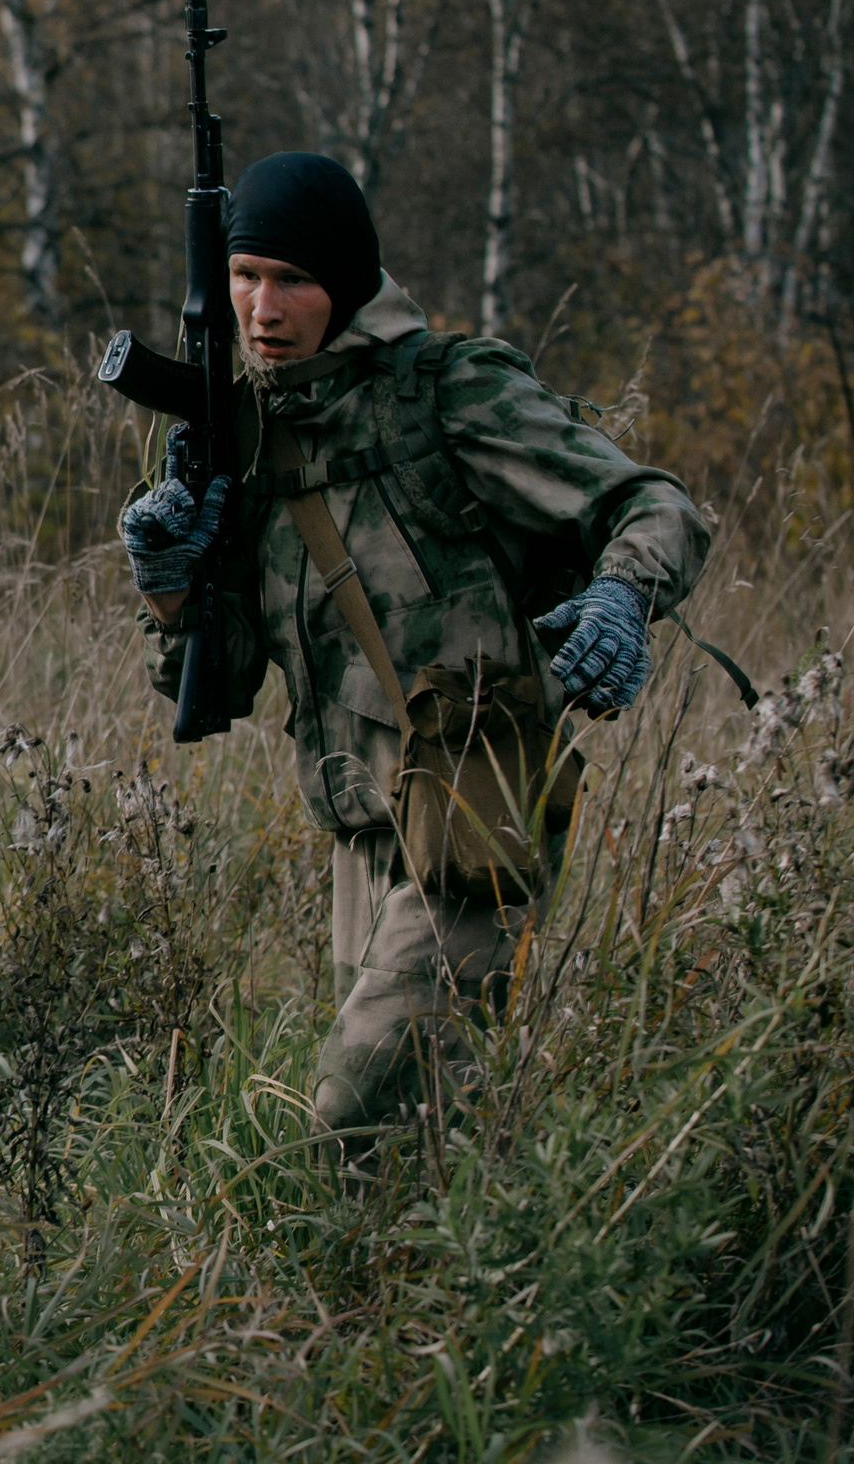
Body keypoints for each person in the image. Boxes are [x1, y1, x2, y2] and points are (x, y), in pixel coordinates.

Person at [120, 151, 708, 1161]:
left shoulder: (445, 395)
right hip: (362, 829)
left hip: (478, 800)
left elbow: (653, 504)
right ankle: (449, 1307)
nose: (264, 306)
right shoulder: (243, 438)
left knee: (352, 1116)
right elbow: (208, 692)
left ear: (342, 283)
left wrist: (619, 597)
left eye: (292, 279)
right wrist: (170, 589)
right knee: (423, 1142)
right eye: (245, 274)